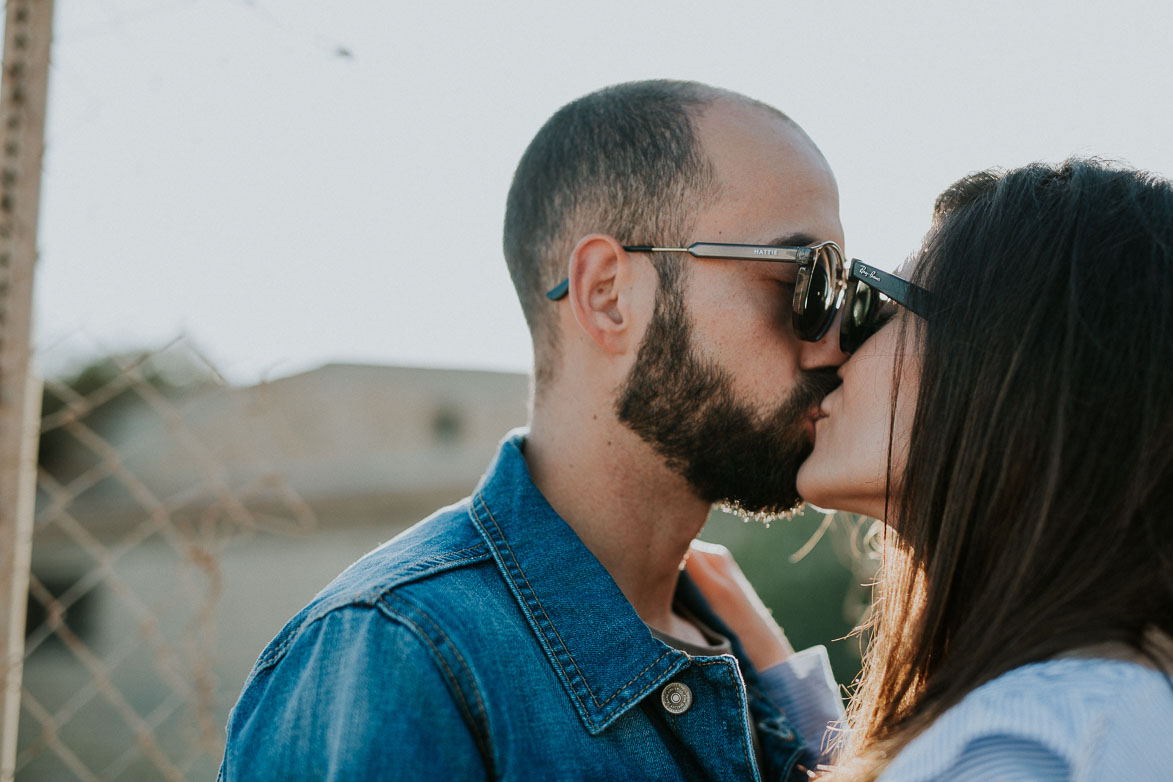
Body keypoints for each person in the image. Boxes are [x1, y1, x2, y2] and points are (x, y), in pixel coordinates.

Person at [218, 80, 851, 780]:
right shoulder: (400, 653)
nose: (834, 341)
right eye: (804, 279)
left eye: (847, 296)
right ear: (608, 296)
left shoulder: (745, 664)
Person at [690, 158, 1173, 781]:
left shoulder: (1033, 744)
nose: (831, 343)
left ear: (1008, 368)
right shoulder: (1092, 711)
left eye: (879, 307)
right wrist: (780, 687)